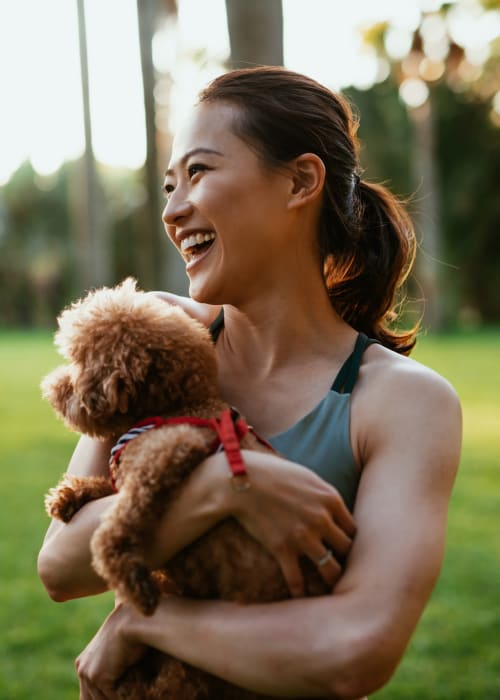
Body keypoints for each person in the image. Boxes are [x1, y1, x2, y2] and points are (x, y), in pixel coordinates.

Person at [38, 66, 461, 699]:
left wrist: (146, 621)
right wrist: (226, 483)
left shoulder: (403, 402)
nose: (172, 209)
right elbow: (61, 565)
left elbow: (357, 649)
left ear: (300, 181)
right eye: (168, 184)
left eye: (200, 173)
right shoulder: (156, 338)